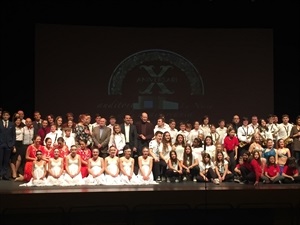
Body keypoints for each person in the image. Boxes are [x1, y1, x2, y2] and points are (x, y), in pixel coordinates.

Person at [0, 111, 16, 180]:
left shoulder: (11, 124)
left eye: (7, 115)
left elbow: (13, 135)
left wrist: (12, 144)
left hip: (8, 145)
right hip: (1, 144)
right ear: (2, 116)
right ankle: (1, 174)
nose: (5, 116)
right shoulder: (0, 123)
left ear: (9, 116)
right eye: (4, 115)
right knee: (0, 160)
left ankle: (5, 175)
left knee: (6, 161)